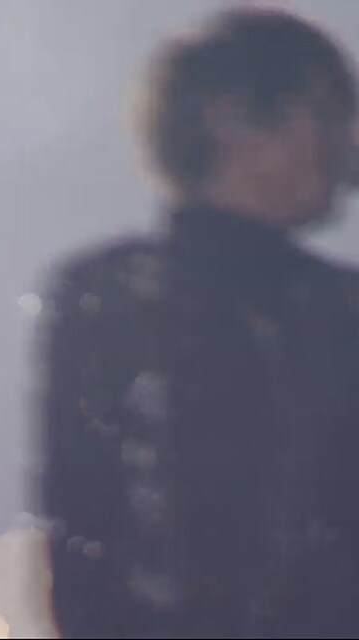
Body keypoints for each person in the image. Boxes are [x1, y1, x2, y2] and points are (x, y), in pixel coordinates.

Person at [36, 6, 359, 638]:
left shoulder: (95, 294)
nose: (344, 145)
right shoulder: (332, 311)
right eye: (325, 115)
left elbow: (79, 549)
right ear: (230, 116)